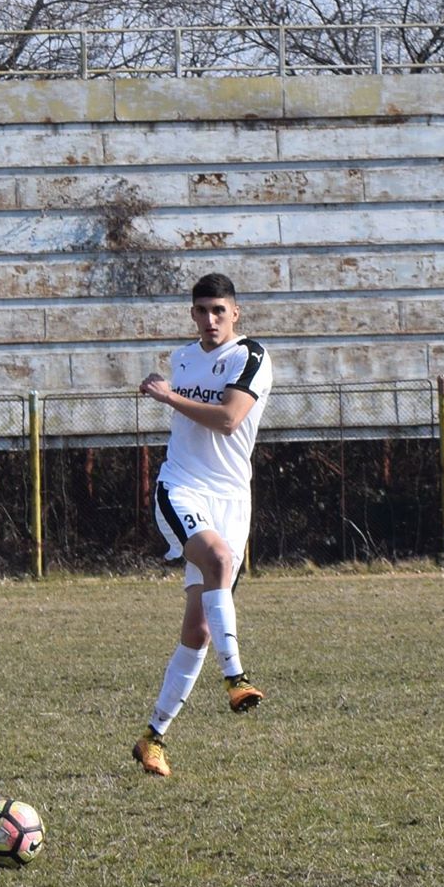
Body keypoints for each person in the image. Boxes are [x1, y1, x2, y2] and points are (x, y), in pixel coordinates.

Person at [132, 273, 271, 778]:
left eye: (218, 311)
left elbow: (230, 419)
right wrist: (167, 392)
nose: (209, 320)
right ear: (192, 315)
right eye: (201, 311)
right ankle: (236, 678)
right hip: (182, 487)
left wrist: (168, 397)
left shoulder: (250, 357)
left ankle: (153, 738)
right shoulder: (184, 356)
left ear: (236, 313)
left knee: (198, 629)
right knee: (218, 558)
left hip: (232, 500)